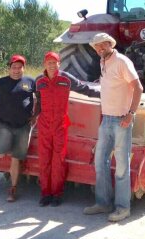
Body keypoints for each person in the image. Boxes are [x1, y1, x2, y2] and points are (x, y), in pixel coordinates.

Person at [83, 33, 143, 222]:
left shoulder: (122, 61)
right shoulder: (103, 62)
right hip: (106, 120)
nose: (99, 49)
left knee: (122, 167)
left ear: (110, 44)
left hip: (121, 121)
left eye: (102, 46)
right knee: (100, 162)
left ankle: (123, 208)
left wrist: (130, 114)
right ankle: (103, 203)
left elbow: (138, 87)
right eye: (96, 47)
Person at [35, 51, 100, 207]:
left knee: (58, 159)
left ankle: (56, 194)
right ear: (45, 64)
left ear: (59, 64)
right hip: (44, 125)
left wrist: (104, 95)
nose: (52, 65)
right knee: (44, 159)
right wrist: (32, 117)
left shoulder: (66, 79)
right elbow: (37, 101)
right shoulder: (39, 81)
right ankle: (45, 193)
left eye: (54, 62)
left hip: (60, 125)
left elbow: (85, 88)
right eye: (49, 62)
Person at [0, 54, 36, 202]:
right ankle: (4, 149)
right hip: (5, 125)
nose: (16, 70)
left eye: (19, 67)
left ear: (23, 68)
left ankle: (13, 188)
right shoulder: (0, 83)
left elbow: (39, 98)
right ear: (9, 68)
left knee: (16, 158)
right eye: (14, 67)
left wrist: (36, 115)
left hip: (23, 126)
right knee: (0, 152)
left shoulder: (30, 82)